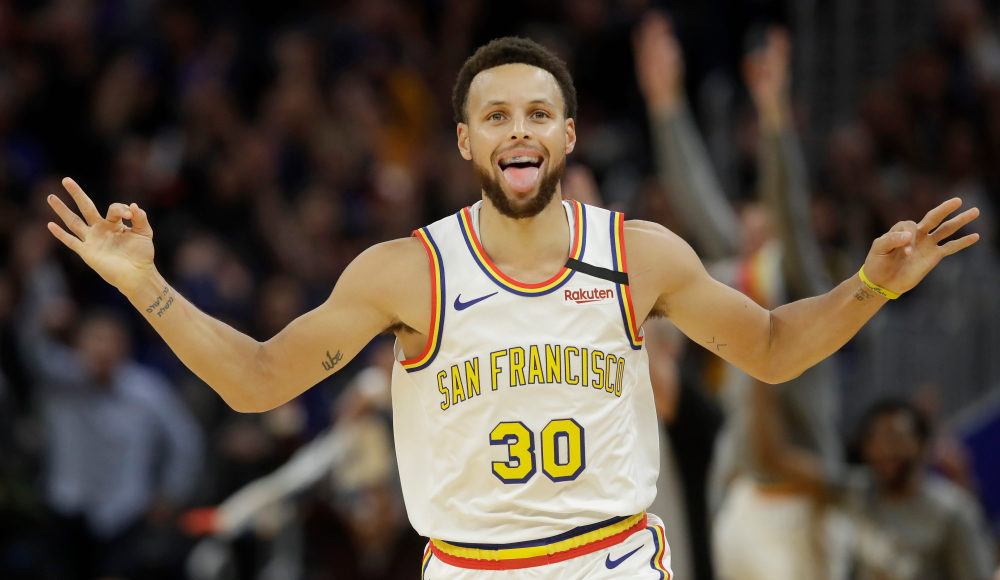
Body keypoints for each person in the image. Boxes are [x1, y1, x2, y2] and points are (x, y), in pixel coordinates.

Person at [46, 36, 980, 578]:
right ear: (464, 140)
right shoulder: (406, 273)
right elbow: (257, 382)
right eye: (496, 116)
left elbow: (771, 348)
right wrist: (143, 285)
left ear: (567, 134)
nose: (518, 130)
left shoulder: (639, 255)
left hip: (613, 560)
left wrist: (870, 285)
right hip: (471, 566)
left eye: (537, 114)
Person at [635, 15, 847, 580]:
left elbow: (790, 208)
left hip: (802, 492)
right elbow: (696, 200)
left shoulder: (795, 278)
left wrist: (775, 116)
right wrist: (665, 105)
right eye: (744, 217)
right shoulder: (735, 276)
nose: (748, 222)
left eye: (760, 217)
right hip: (742, 495)